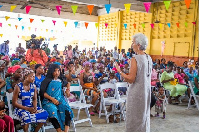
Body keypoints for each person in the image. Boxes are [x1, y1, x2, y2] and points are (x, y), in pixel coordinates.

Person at [115, 33, 152, 132]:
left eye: (133, 42)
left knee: (134, 119)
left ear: (138, 45)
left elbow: (131, 79)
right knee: (144, 117)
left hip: (137, 93)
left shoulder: (135, 59)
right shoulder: (149, 58)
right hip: (146, 92)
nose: (132, 45)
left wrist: (119, 71)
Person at [40, 64, 74, 132]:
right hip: (48, 101)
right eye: (55, 71)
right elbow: (43, 93)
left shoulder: (60, 79)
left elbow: (68, 83)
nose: (57, 73)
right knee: (52, 111)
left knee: (67, 109)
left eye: (58, 71)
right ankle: (59, 131)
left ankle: (66, 131)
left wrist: (68, 90)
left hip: (60, 99)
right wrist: (52, 99)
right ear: (51, 71)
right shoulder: (46, 80)